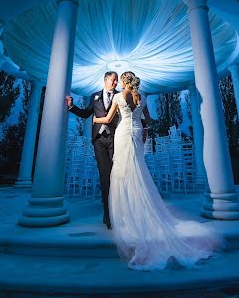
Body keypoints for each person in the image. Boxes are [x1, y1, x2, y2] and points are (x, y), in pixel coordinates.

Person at [93, 71, 221, 271]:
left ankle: (127, 217)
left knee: (122, 173)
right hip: (135, 134)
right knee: (137, 171)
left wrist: (95, 120)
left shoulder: (119, 97)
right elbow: (149, 121)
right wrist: (143, 129)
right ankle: (139, 212)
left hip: (123, 133)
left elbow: (109, 118)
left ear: (124, 82)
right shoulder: (141, 98)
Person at [66, 71, 121, 229]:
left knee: (115, 175)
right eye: (113, 80)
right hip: (99, 140)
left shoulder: (119, 96)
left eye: (117, 81)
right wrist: (71, 107)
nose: (116, 83)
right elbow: (85, 114)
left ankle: (117, 211)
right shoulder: (94, 96)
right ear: (105, 80)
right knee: (104, 175)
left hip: (114, 139)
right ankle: (107, 214)